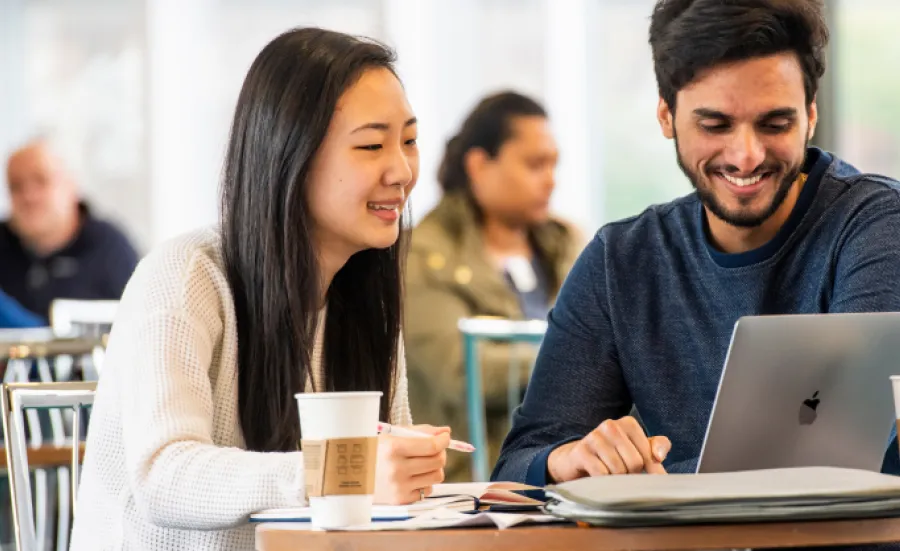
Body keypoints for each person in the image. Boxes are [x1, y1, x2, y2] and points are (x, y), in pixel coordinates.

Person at [494, 0, 900, 488]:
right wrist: (570, 461)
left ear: (810, 116)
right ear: (666, 115)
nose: (746, 155)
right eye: (715, 125)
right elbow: (520, 465)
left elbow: (843, 456)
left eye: (775, 124)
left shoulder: (876, 227)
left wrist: (648, 483)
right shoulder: (620, 260)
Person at [70, 28, 449, 551]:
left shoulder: (363, 294)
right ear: (289, 157)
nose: (402, 170)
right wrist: (341, 472)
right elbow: (164, 474)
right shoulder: (186, 276)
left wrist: (405, 469)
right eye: (371, 145)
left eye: (409, 141)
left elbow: (380, 492)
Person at [405, 92, 581, 481]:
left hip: (560, 477)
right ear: (479, 165)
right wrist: (574, 357)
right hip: (467, 484)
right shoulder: (423, 255)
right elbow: (458, 370)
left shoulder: (568, 244)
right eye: (535, 165)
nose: (550, 180)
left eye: (554, 165)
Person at [0, 139, 138, 318]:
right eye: (16, 186)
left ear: (70, 185)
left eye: (41, 180)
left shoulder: (111, 249)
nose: (28, 196)